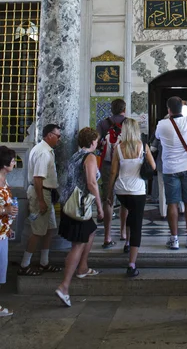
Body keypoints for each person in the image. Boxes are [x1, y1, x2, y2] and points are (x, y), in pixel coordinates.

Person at [56, 127, 103, 307]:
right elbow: (91, 183)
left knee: (90, 231)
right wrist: (99, 207)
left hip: (69, 202)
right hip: (80, 205)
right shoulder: (89, 157)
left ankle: (83, 268)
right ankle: (64, 286)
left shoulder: (75, 156)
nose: (97, 143)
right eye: (96, 141)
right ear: (92, 142)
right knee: (78, 244)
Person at [155, 96, 187, 250]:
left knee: (172, 203)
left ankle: (174, 239)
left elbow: (157, 138)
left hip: (170, 169)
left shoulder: (162, 124)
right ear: (181, 108)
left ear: (168, 109)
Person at [108, 118, 156, 276]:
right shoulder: (143, 147)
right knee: (137, 225)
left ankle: (127, 242)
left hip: (121, 190)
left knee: (129, 214)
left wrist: (109, 192)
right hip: (137, 191)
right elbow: (153, 166)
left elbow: (113, 172)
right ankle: (131, 264)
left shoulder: (118, 148)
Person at [18, 124, 62, 276]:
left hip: (45, 193)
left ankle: (44, 262)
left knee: (49, 229)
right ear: (49, 135)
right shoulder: (43, 153)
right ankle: (24, 265)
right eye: (58, 135)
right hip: (40, 194)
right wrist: (42, 201)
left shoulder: (44, 150)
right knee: (37, 231)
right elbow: (38, 179)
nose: (59, 139)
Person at [96, 98, 128, 249]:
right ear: (124, 109)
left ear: (111, 109)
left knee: (108, 199)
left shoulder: (103, 124)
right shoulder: (129, 123)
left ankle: (107, 236)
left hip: (108, 165)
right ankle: (123, 232)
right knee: (125, 200)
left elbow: (95, 145)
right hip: (125, 165)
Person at [0, 146, 18, 317]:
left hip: (3, 232)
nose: (14, 162)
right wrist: (5, 211)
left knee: (1, 267)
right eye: (11, 159)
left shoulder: (5, 181)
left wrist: (9, 222)